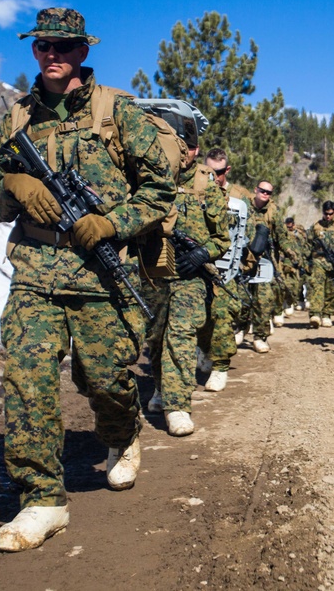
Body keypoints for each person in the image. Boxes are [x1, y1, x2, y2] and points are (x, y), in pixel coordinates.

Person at [0, 8, 178, 551]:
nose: (54, 56)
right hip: (35, 275)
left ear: (83, 51)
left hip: (100, 276)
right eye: (44, 46)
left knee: (105, 379)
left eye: (65, 46)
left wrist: (111, 222)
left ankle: (123, 433)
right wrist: (14, 185)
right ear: (34, 50)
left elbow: (160, 192)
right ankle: (42, 499)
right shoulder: (19, 118)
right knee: (27, 377)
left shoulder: (119, 111)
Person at [142, 105, 228, 436]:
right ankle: (162, 388)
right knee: (157, 336)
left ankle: (177, 405)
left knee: (180, 335)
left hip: (191, 280)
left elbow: (223, 239)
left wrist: (203, 253)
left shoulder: (207, 185)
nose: (179, 153)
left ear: (194, 149)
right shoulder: (151, 179)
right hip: (153, 272)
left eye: (185, 147)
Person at [195, 148, 248, 391]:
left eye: (216, 172)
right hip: (197, 261)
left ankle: (220, 367)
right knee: (200, 318)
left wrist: (244, 262)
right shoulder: (196, 188)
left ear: (226, 170)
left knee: (222, 316)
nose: (211, 176)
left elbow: (247, 232)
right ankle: (206, 350)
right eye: (206, 170)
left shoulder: (238, 197)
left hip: (226, 266)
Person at [241, 180, 294, 352]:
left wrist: (288, 250)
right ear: (255, 189)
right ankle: (240, 326)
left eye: (269, 192)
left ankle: (259, 336)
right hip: (242, 260)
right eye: (262, 190)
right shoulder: (244, 205)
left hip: (264, 262)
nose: (265, 194)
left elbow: (281, 235)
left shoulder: (273, 211)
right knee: (240, 298)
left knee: (264, 300)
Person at [308, 200, 334, 327]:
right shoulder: (316, 226)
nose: (328, 216)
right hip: (319, 261)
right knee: (317, 286)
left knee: (332, 290)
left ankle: (327, 315)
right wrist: (306, 261)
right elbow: (308, 244)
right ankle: (315, 313)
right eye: (326, 214)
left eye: (330, 213)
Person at [282, 217, 310, 314]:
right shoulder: (283, 235)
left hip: (300, 260)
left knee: (300, 281)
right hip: (287, 262)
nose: (289, 228)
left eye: (291, 226)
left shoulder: (300, 234)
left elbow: (305, 246)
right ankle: (288, 302)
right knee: (288, 282)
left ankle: (299, 300)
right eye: (287, 226)